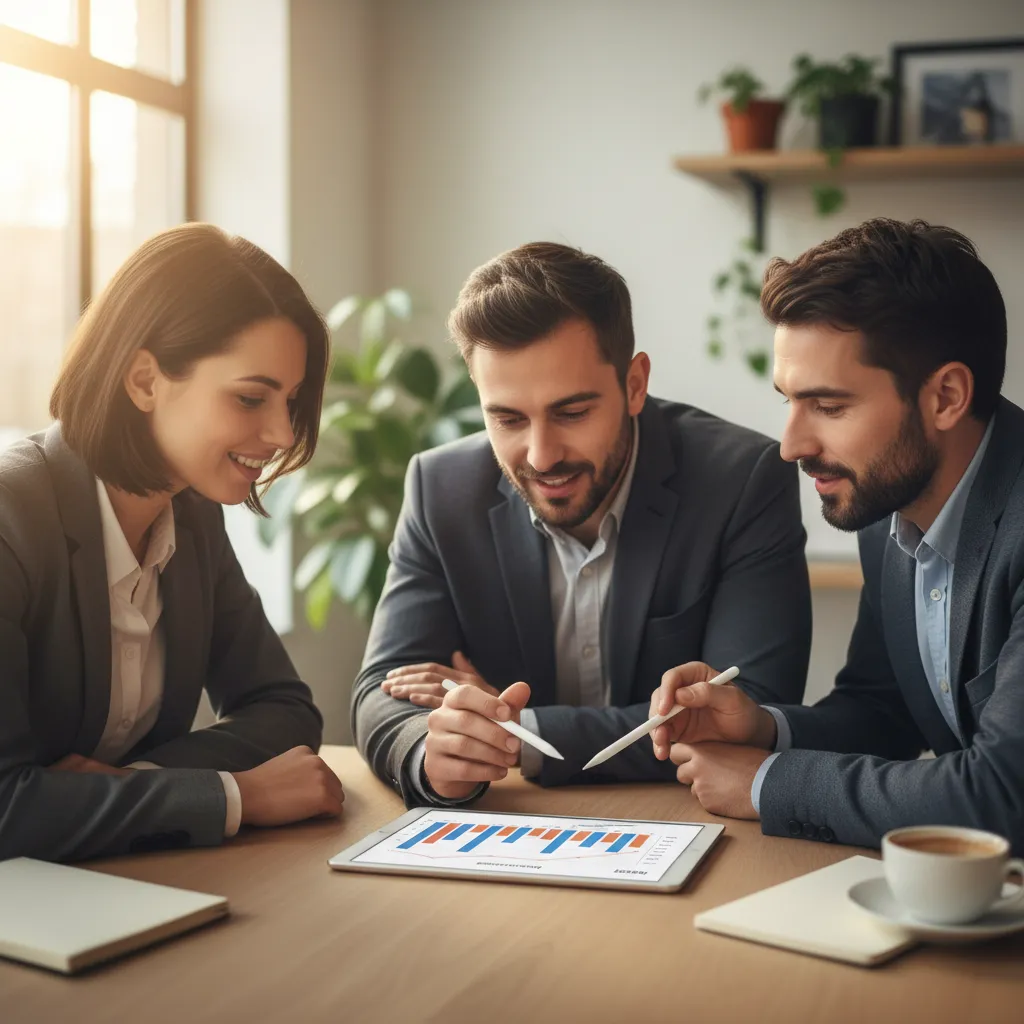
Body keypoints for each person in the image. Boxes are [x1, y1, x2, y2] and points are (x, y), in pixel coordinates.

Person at [352, 242, 811, 805]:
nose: (542, 456)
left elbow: (751, 711)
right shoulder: (439, 488)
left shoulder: (741, 480)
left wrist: (523, 732)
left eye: (572, 413)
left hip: (690, 820)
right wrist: (436, 749)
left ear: (634, 384)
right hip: (515, 825)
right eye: (508, 418)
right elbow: (385, 689)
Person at [651, 218, 1024, 852]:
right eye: (788, 402)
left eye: (829, 407)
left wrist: (769, 781)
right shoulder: (888, 511)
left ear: (947, 397)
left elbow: (1002, 795)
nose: (792, 445)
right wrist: (763, 730)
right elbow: (882, 711)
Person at [0, 223, 345, 862]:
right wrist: (235, 796)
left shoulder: (192, 518)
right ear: (143, 381)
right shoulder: (11, 518)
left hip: (106, 881)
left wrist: (140, 786)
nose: (277, 433)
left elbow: (285, 709)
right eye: (250, 397)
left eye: (291, 401)